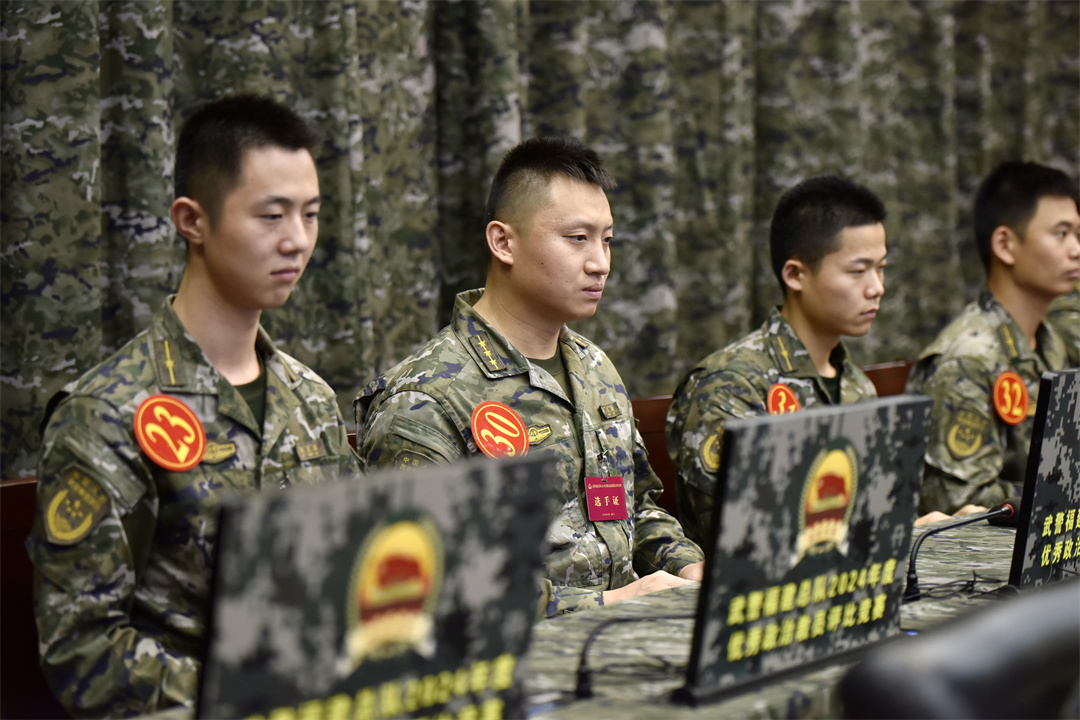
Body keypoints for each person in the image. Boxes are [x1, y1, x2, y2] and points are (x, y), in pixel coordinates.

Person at [26, 94, 361, 718]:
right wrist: (251, 694)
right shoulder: (107, 413)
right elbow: (83, 651)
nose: (297, 241)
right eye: (271, 216)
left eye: (311, 215)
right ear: (192, 221)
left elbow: (353, 570)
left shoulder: (311, 398)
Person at [355, 137, 704, 618]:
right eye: (577, 238)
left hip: (625, 638)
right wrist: (607, 603)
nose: (600, 263)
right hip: (520, 657)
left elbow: (637, 509)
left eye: (606, 240)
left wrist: (687, 567)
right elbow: (430, 591)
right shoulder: (425, 398)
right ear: (503, 242)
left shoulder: (593, 368)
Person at [666, 176, 886, 546]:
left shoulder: (856, 384)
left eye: (881, 268)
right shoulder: (729, 385)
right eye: (858, 271)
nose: (877, 287)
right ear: (796, 275)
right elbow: (742, 536)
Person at [906, 161, 1080, 515]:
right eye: (1061, 234)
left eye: (1078, 234)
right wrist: (1065, 492)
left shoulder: (1049, 341)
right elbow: (958, 500)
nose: (1076, 249)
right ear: (1005, 245)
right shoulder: (968, 359)